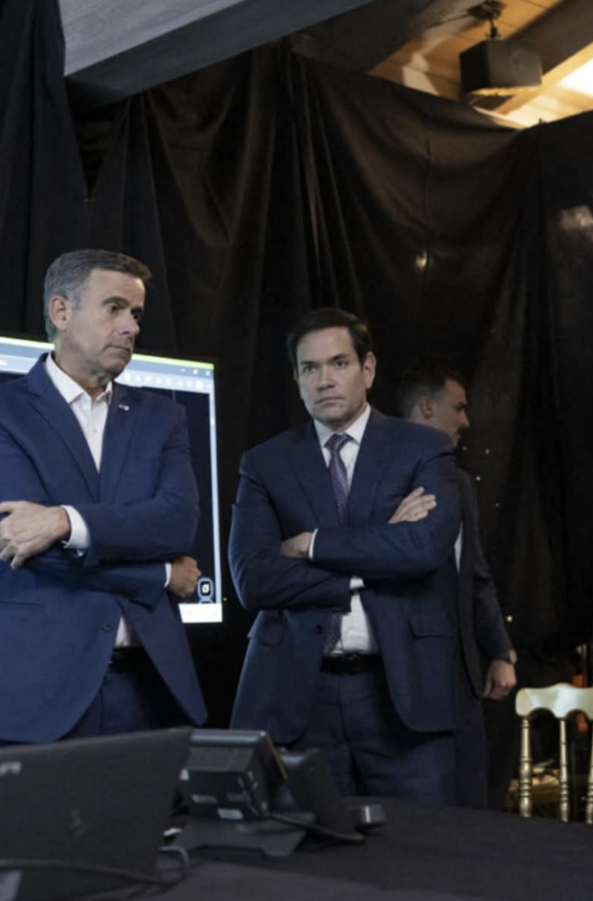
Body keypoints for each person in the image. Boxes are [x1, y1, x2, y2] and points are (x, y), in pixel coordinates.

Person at [229, 308, 462, 804]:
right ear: (296, 378)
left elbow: (423, 549)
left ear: (368, 368)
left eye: (338, 363)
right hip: (299, 695)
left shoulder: (424, 448)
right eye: (309, 368)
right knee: (307, 849)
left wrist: (311, 545)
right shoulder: (265, 463)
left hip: (402, 694)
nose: (324, 380)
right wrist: (376, 552)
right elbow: (254, 579)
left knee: (424, 846)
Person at [0, 249, 206, 742]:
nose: (131, 327)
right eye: (114, 308)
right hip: (40, 693)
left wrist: (65, 522)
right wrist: (160, 574)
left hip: (152, 689)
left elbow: (177, 523)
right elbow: (27, 550)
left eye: (135, 313)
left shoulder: (164, 417)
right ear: (61, 311)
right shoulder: (6, 412)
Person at [397, 361, 515, 808]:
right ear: (428, 407)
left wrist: (499, 650)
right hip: (401, 674)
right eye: (459, 408)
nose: (466, 421)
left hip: (460, 675)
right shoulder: (378, 474)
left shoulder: (459, 483)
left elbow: (475, 572)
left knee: (468, 802)